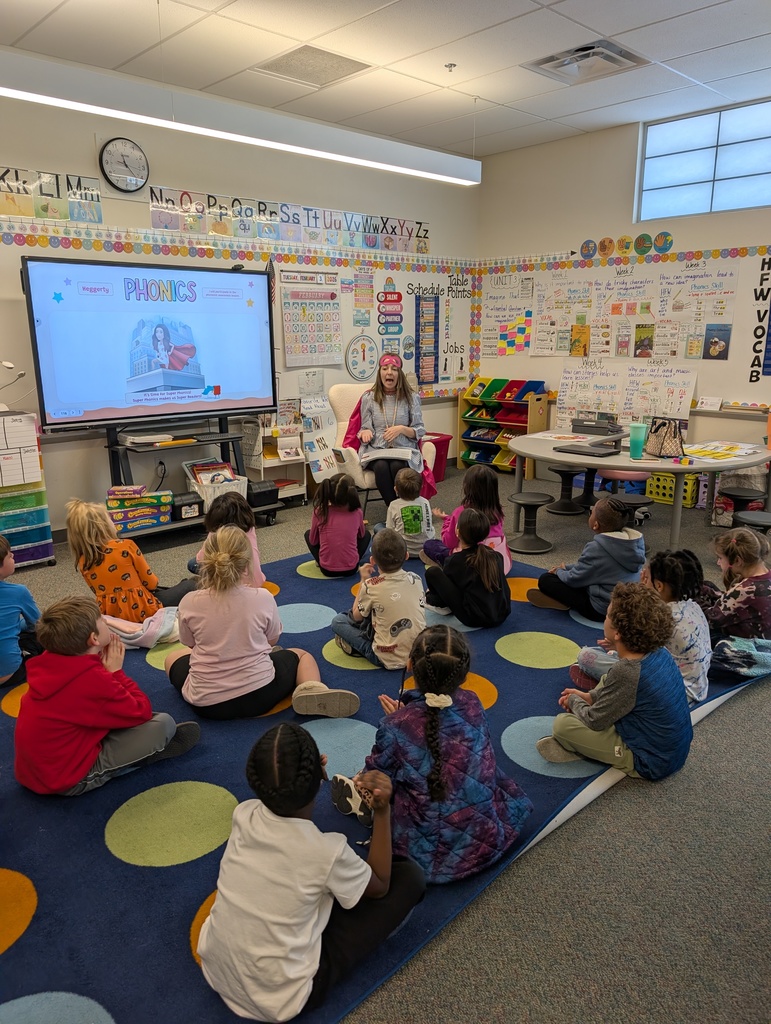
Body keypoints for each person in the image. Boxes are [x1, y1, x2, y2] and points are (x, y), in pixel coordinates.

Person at [196, 723, 426, 1023]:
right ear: (321, 774)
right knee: (409, 877)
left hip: (215, 966)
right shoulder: (326, 851)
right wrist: (383, 813)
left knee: (315, 887)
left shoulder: (244, 813)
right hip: (281, 997)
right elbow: (381, 886)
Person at [331, 626, 533, 884]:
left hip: (429, 853)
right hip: (489, 836)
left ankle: (363, 804)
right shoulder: (472, 701)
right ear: (464, 671)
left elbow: (377, 773)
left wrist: (398, 718)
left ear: (411, 665)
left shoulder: (396, 726)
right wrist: (407, 714)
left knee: (370, 778)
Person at [14, 595, 200, 796]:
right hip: (64, 779)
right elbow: (141, 711)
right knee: (163, 723)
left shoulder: (50, 661)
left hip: (32, 770)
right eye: (101, 620)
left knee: (128, 716)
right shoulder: (91, 680)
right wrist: (115, 673)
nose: (106, 621)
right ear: (94, 638)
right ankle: (138, 759)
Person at [166, 526, 359, 719]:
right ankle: (311, 689)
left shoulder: (189, 601)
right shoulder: (262, 597)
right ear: (246, 563)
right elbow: (272, 640)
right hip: (261, 694)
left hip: (207, 706)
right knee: (302, 656)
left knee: (171, 659)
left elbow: (190, 643)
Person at [536, 583, 693, 780]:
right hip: (671, 749)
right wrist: (589, 696)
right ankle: (590, 734)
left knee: (562, 726)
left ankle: (586, 752)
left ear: (618, 632)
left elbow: (595, 720)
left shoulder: (628, 671)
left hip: (650, 760)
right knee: (607, 678)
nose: (605, 617)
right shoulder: (659, 651)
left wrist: (575, 702)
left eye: (608, 615)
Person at [573, 549, 711, 704]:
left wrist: (617, 646)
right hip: (698, 687)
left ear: (659, 586)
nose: (642, 578)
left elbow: (639, 661)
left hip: (673, 696)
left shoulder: (662, 618)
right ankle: (607, 681)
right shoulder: (693, 606)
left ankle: (608, 686)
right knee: (613, 654)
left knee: (586, 656)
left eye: (646, 577)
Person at [66, 498, 197, 623]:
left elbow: (101, 592)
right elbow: (151, 583)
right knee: (192, 584)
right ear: (103, 526)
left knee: (174, 588)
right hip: (145, 610)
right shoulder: (126, 546)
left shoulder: (83, 562)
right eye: (110, 519)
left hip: (112, 616)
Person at [527, 496, 645, 621]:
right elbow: (590, 567)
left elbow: (574, 579)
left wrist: (558, 572)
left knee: (546, 579)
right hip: (625, 606)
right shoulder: (632, 544)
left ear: (595, 525)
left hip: (602, 610)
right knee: (575, 577)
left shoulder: (597, 548)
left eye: (591, 513)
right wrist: (566, 567)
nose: (590, 515)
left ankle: (562, 601)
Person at [330, 528, 425, 668]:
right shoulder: (416, 578)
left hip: (384, 658)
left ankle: (355, 646)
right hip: (418, 654)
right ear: (406, 556)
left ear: (372, 560)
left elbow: (356, 617)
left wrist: (363, 580)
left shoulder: (370, 586)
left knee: (338, 621)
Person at [358, 353, 425, 506]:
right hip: (377, 449)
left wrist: (401, 429)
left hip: (402, 448)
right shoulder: (369, 397)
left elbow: (419, 430)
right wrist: (366, 432)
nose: (389, 372)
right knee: (381, 466)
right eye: (385, 368)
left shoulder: (411, 397)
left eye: (394, 369)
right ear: (379, 373)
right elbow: (365, 427)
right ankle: (394, 509)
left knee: (397, 466)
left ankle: (403, 506)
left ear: (399, 374)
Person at [424, 508, 510, 628]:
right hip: (502, 614)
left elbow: (447, 593)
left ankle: (429, 598)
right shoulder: (496, 556)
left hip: (474, 619)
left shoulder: (455, 561)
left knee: (432, 572)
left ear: (457, 532)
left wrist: (432, 596)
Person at [422, 463, 511, 573]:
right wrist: (448, 519)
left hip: (469, 564)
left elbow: (448, 542)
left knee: (430, 545)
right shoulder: (497, 511)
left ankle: (443, 563)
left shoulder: (460, 513)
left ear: (467, 487)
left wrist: (447, 523)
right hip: (499, 564)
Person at [700, 528, 771, 641]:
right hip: (764, 638)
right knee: (709, 585)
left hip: (747, 647)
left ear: (737, 561)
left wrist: (694, 596)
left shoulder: (745, 590)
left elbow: (709, 620)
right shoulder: (766, 578)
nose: (718, 562)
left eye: (720, 558)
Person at [187, 490, 265, 587]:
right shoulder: (248, 529)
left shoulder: (218, 530)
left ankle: (217, 581)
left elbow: (201, 558)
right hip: (235, 574)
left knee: (193, 564)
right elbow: (256, 575)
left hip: (228, 575)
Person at [304, 473, 371, 577]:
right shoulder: (357, 512)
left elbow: (313, 541)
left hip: (326, 569)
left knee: (308, 534)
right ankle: (349, 559)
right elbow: (361, 536)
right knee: (367, 535)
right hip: (351, 569)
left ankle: (324, 559)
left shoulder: (320, 511)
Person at [0, 535, 42, 687]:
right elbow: (37, 624)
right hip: (9, 674)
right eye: (8, 554)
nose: (13, 555)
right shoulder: (18, 592)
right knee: (42, 636)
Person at [375, 466, 434, 558]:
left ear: (395, 489)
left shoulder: (393, 505)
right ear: (421, 487)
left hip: (403, 551)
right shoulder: (425, 502)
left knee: (378, 527)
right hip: (425, 548)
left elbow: (389, 531)